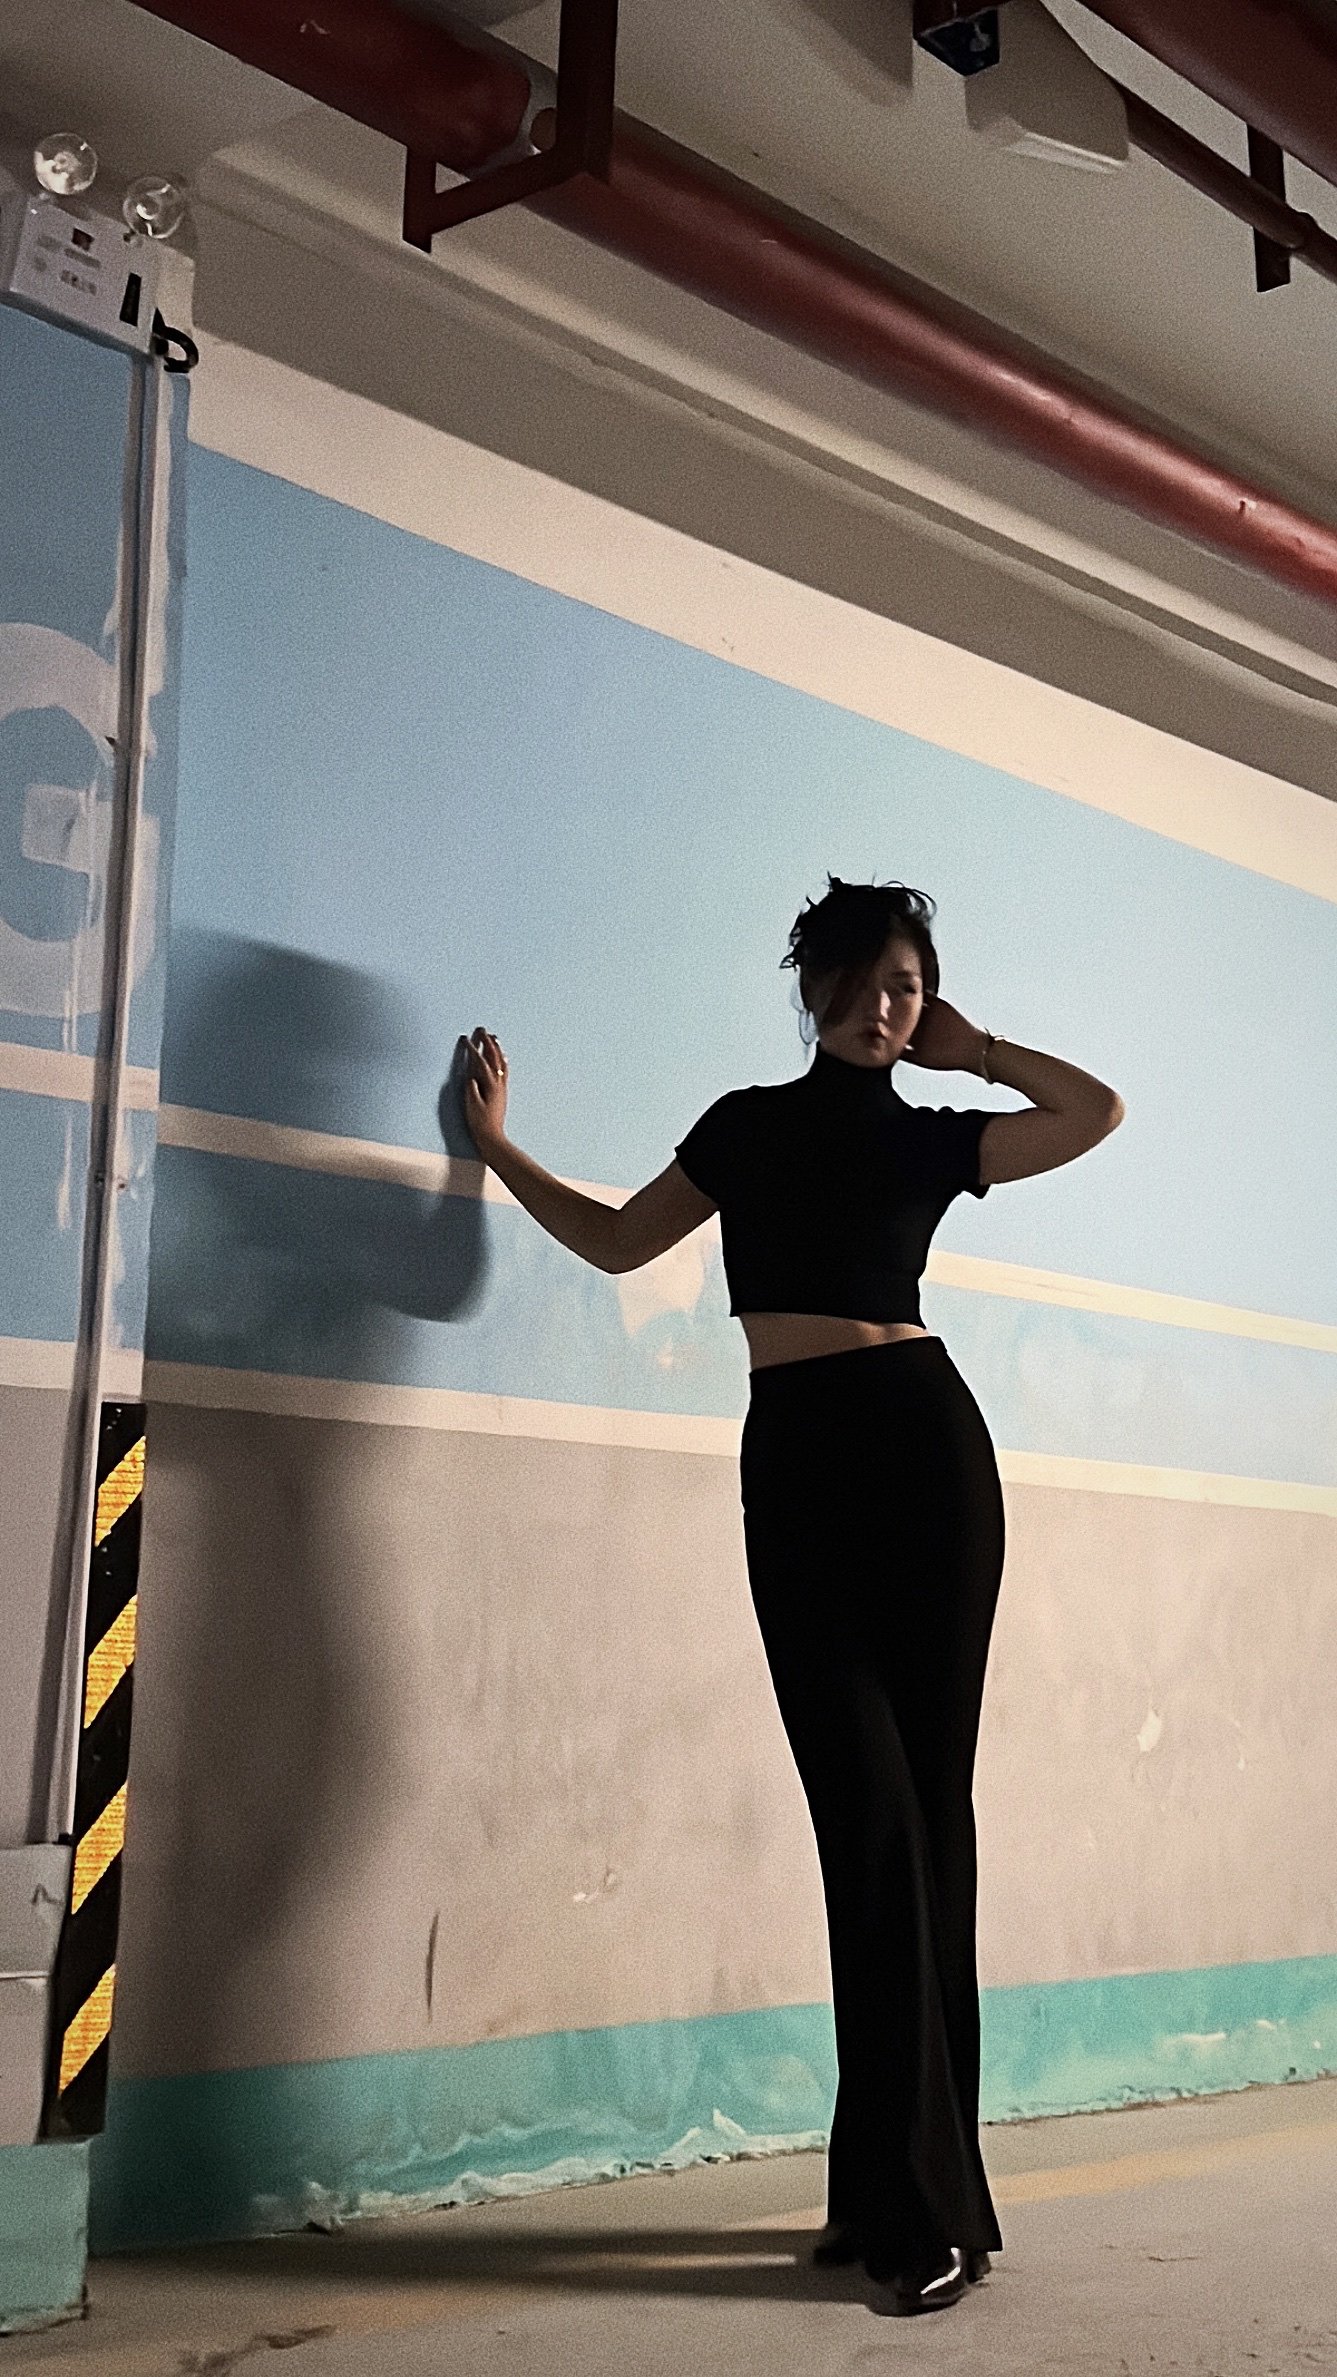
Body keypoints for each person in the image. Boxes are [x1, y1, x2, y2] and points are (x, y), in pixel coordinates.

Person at [458, 873, 1125, 2319]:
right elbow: (620, 1239)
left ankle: (926, 2207)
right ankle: (884, 2185)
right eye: (867, 979)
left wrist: (976, 1049)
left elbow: (1094, 1112)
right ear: (813, 984)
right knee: (862, 1821)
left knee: (924, 1814)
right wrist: (498, 1151)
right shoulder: (744, 1126)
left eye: (907, 985)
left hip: (927, 1456)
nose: (886, 1005)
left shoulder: (933, 1133)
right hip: (800, 1464)